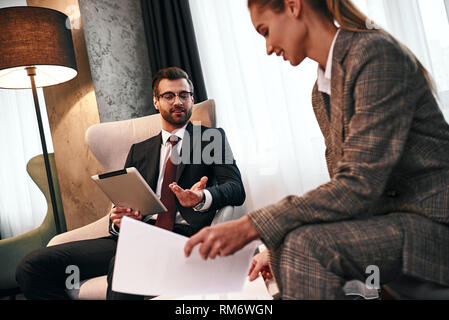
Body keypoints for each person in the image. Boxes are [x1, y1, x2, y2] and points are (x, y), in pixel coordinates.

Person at [184, 0, 449, 299]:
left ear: (293, 6)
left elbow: (357, 187)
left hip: (434, 226)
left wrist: (252, 225)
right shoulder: (321, 92)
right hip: (393, 224)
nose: (269, 47)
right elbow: (342, 192)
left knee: (305, 246)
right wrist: (273, 243)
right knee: (286, 245)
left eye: (266, 31)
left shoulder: (375, 55)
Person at [16, 67, 245, 300]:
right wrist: (120, 219)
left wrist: (201, 198)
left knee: (125, 261)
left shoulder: (210, 139)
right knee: (33, 266)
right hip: (131, 236)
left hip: (179, 237)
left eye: (184, 95)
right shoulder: (139, 150)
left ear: (192, 99)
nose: (178, 101)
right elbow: (124, 202)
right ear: (156, 102)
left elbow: (236, 189)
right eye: (169, 96)